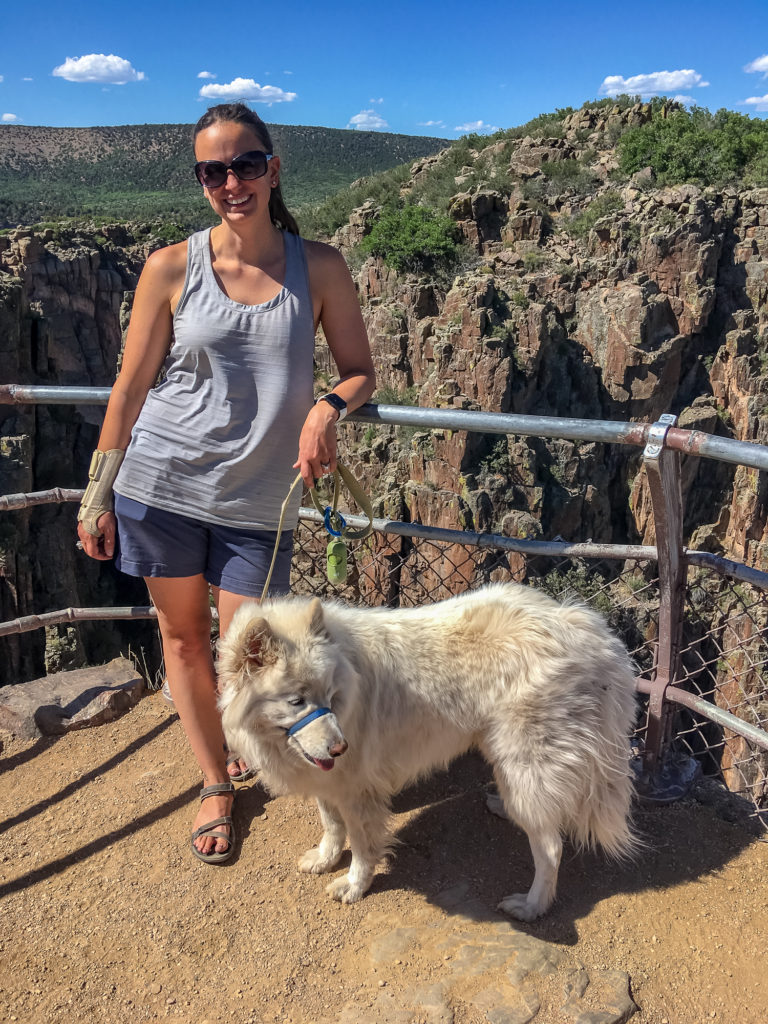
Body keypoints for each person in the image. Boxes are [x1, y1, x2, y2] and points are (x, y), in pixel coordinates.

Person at [77, 102, 376, 864]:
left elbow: (359, 370)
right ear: (201, 181)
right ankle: (216, 779)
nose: (231, 183)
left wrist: (326, 409)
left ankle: (247, 746)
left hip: (259, 499)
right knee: (182, 639)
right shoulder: (172, 266)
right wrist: (97, 493)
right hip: (160, 485)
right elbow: (130, 388)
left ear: (273, 169)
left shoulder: (322, 266)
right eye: (213, 171)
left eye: (245, 165)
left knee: (246, 648)